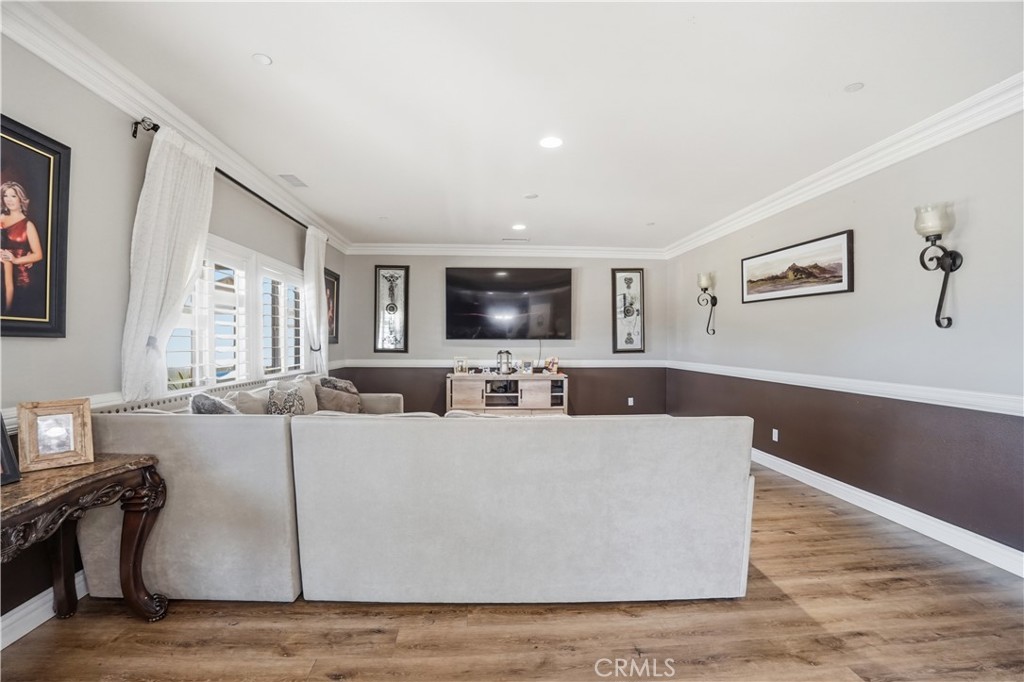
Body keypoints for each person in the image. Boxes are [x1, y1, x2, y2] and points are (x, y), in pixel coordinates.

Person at [0, 181, 44, 314]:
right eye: (5, 196)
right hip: (3, 270)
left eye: (13, 196)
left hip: (20, 276)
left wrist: (16, 260)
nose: (9, 200)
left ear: (21, 198)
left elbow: (38, 254)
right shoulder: (1, 217)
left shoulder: (28, 225)